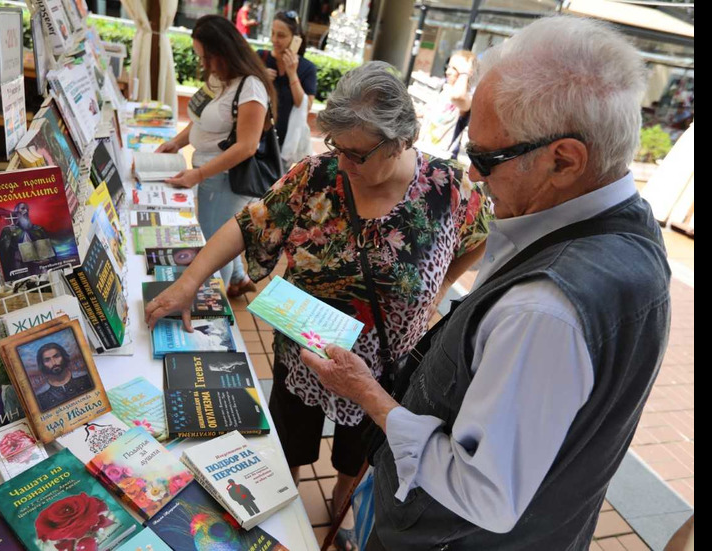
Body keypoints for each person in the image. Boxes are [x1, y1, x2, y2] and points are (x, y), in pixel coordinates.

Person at [299, 16, 672, 549]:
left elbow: (482, 492)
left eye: (485, 157)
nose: (472, 174)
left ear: (563, 160)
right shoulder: (630, 229)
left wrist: (370, 396)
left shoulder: (545, 309)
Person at [145, 61, 491, 551]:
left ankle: (342, 498)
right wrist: (189, 281)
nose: (343, 164)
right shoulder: (316, 174)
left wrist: (439, 288)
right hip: (304, 348)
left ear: (401, 140)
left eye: (357, 153)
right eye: (336, 147)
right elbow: (248, 224)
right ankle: (280, 498)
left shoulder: (447, 188)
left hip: (383, 365)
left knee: (361, 449)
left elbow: (479, 237)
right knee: (289, 434)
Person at [154, 15, 277, 299]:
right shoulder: (218, 78)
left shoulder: (250, 89)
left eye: (206, 57)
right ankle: (236, 279)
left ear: (223, 52)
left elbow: (247, 146)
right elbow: (198, 119)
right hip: (208, 174)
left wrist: (198, 174)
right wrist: (176, 142)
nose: (203, 64)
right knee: (215, 233)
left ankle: (214, 309)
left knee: (213, 249)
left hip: (225, 180)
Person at [258, 11, 318, 156]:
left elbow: (305, 106)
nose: (274, 39)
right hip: (255, 137)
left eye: (281, 35)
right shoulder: (260, 57)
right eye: (273, 33)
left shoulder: (307, 68)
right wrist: (259, 78)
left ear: (296, 40)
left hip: (284, 145)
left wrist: (292, 74)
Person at [414, 50, 476, 160]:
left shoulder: (467, 99)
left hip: (441, 161)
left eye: (455, 68)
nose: (448, 71)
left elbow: (457, 97)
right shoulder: (444, 92)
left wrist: (464, 72)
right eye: (449, 66)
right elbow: (423, 113)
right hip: (422, 153)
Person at [32, 342, 94, 411]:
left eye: (56, 356)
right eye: (47, 360)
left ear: (64, 357)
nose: (54, 362)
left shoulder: (86, 378)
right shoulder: (41, 396)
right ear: (42, 364)